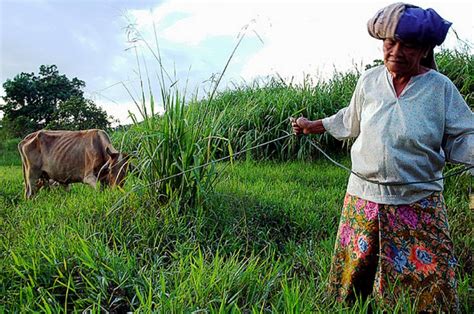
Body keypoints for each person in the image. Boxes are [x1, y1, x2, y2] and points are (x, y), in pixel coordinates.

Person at [291, 2, 473, 312]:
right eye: (391, 42)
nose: (396, 51)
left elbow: (463, 135)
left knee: (429, 278)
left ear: (426, 49)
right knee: (355, 271)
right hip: (364, 196)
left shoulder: (439, 88)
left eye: (409, 45)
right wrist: (313, 126)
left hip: (418, 199)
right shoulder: (370, 81)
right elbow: (351, 119)